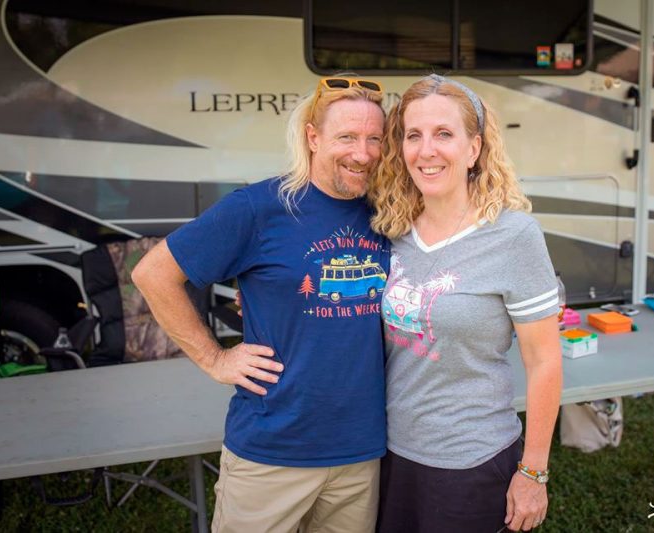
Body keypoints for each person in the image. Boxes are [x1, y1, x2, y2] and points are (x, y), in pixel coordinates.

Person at [132, 76, 390, 533]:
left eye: (375, 139)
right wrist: (214, 358)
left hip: (361, 453)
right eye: (347, 137)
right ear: (313, 137)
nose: (363, 153)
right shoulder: (259, 207)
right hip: (272, 451)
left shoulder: (387, 211)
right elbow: (153, 273)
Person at [369, 74, 563, 533]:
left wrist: (534, 472)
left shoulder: (513, 235)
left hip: (471, 461)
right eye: (413, 135)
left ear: (474, 148)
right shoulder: (391, 229)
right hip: (390, 453)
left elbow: (544, 362)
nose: (426, 150)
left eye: (443, 134)